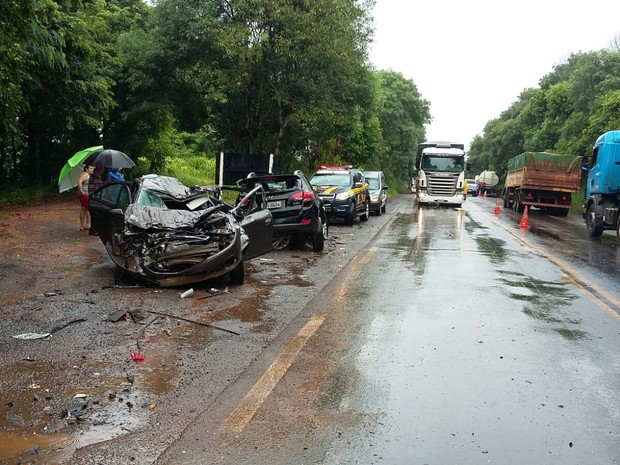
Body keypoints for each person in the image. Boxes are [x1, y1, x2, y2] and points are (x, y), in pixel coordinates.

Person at [87, 167, 104, 235]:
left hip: (91, 195)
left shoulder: (93, 175)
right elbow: (98, 187)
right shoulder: (96, 176)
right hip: (94, 196)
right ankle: (93, 230)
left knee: (93, 213)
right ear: (100, 169)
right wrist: (104, 184)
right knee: (95, 213)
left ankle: (93, 229)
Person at [77, 165, 94, 231]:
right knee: (84, 209)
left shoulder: (87, 174)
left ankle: (86, 225)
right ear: (86, 169)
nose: (92, 169)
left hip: (86, 194)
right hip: (85, 194)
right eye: (90, 168)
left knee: (85, 209)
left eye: (92, 168)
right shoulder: (85, 174)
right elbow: (79, 181)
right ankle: (83, 225)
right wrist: (81, 190)